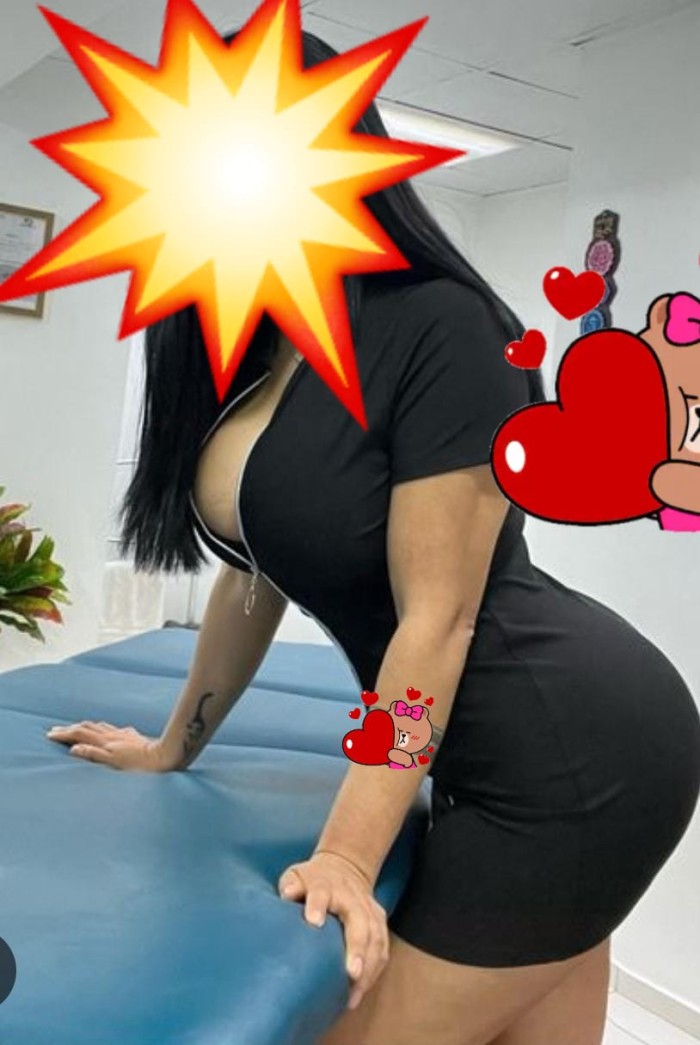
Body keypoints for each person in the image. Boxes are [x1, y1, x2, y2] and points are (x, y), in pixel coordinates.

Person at [45, 26, 700, 1045]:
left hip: (571, 752)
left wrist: (348, 853)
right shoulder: (259, 349)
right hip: (484, 754)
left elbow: (437, 620)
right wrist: (173, 747)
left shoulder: (444, 324)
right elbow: (257, 576)